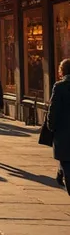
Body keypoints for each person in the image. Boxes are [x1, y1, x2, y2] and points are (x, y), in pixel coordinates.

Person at [47, 58, 70, 195]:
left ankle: (62, 171)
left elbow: (53, 108)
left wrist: (51, 125)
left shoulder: (59, 86)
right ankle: (61, 171)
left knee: (66, 158)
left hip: (63, 129)